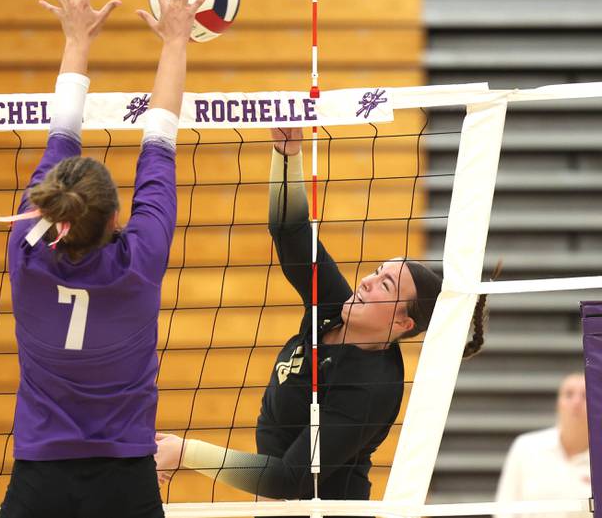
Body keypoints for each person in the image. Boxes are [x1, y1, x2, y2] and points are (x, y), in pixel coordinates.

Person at [155, 127, 488, 506]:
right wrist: (286, 153)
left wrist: (186, 453)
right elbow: (290, 230)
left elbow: (290, 479)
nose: (367, 281)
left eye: (386, 285)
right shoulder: (334, 307)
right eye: (378, 270)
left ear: (402, 323)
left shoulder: (370, 387)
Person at [0, 0, 209, 518]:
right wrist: (175, 41)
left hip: (40, 480)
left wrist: (75, 38)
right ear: (118, 218)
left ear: (48, 206)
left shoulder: (26, 248)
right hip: (125, 482)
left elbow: (61, 133)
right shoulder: (139, 260)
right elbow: (159, 141)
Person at [495, 372, 591, 518]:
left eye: (585, 395)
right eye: (569, 394)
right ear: (558, 403)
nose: (576, 402)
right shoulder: (525, 447)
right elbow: (504, 509)